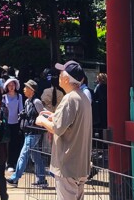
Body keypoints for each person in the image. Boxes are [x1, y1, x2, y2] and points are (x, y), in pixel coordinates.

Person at [36, 61, 92, 200]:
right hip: (80, 165)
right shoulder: (83, 97)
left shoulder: (69, 99)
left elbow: (56, 128)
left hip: (67, 165)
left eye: (61, 73)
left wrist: (41, 121)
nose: (59, 76)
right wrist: (55, 116)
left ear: (67, 78)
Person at [9, 79, 47, 187]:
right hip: (28, 131)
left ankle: (15, 178)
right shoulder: (27, 101)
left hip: (35, 132)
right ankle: (42, 180)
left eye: (26, 87)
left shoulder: (36, 102)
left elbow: (43, 114)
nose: (24, 89)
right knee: (36, 156)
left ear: (32, 90)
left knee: (23, 154)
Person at [3, 77, 24, 169]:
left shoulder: (19, 96)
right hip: (6, 123)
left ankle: (13, 162)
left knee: (14, 143)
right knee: (5, 143)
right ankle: (6, 162)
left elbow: (21, 110)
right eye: (9, 85)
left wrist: (21, 121)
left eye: (13, 85)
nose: (11, 87)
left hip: (16, 123)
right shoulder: (4, 97)